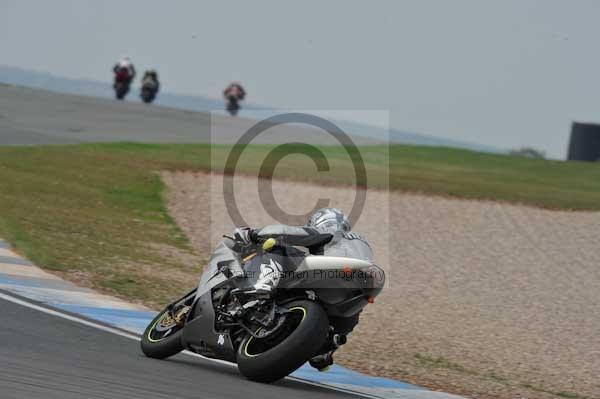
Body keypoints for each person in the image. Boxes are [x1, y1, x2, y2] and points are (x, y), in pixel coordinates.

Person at [217, 207, 371, 371]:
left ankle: (262, 287)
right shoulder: (360, 242)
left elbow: (292, 233)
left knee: (276, 246)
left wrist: (254, 233)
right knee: (351, 310)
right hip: (360, 283)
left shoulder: (332, 232)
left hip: (332, 272)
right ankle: (326, 346)